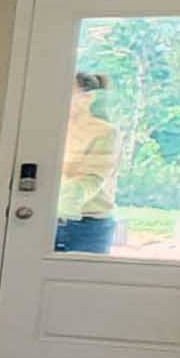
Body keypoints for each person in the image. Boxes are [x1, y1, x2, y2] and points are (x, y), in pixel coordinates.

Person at [52, 71, 119, 253]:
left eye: (68, 91)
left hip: (87, 226)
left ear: (87, 98)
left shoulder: (103, 131)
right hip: (51, 220)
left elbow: (92, 179)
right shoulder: (54, 127)